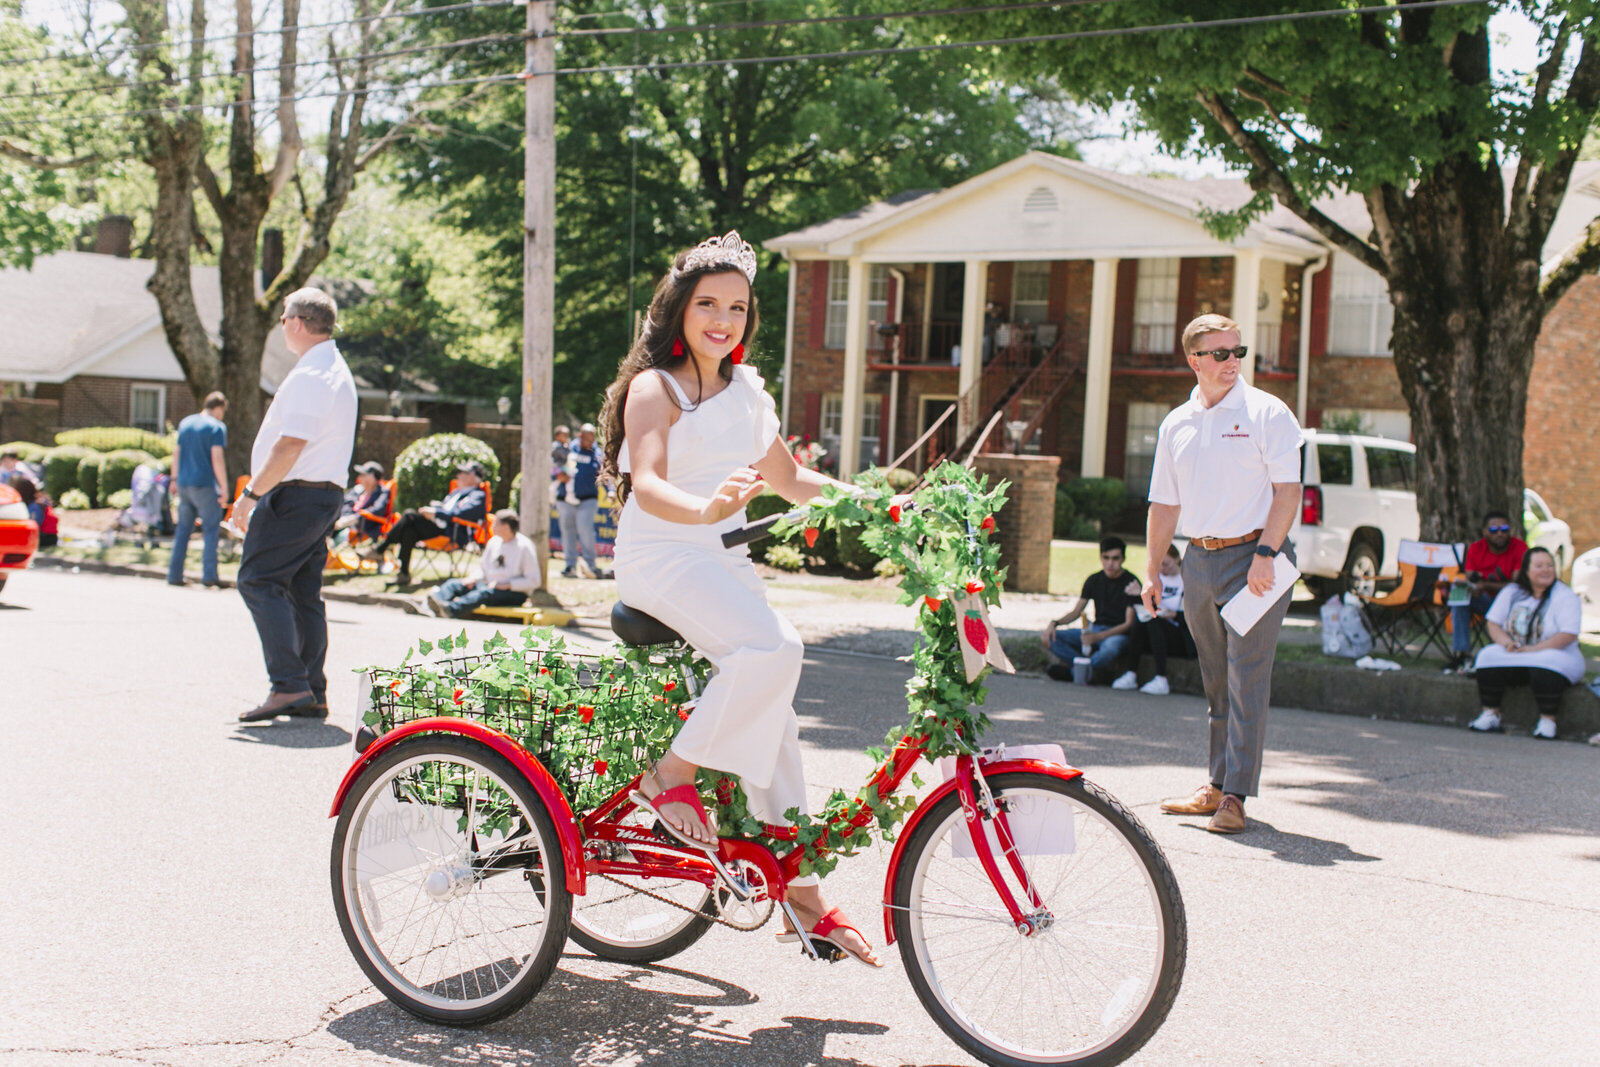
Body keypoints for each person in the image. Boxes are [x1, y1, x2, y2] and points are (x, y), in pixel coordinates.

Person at [600, 229, 882, 966]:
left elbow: (791, 481)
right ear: (680, 310)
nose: (722, 320)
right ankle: (671, 773)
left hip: (722, 561)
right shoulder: (655, 389)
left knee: (774, 710)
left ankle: (802, 893)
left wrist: (879, 504)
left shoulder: (749, 392)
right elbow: (649, 483)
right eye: (707, 305)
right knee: (776, 649)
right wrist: (704, 510)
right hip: (661, 555)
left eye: (737, 307)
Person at [1145, 314, 1303, 835]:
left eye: (1238, 351)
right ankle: (1215, 784)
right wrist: (1151, 571)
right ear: (1194, 360)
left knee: (1246, 677)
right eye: (1220, 353)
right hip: (1199, 559)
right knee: (1216, 679)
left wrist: (1267, 552)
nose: (1232, 361)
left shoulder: (1267, 412)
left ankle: (1235, 796)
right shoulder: (1177, 423)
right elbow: (1164, 504)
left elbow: (1288, 491)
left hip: (1256, 559)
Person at [230, 288, 358, 723]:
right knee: (303, 591)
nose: (282, 325)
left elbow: (290, 444)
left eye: (284, 318)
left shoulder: (312, 374)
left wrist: (251, 495)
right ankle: (311, 690)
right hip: (321, 495)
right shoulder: (332, 368)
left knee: (258, 580)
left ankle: (288, 685)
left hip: (297, 495)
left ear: (298, 323)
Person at [1466, 547, 1583, 739]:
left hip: (1555, 654)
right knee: (1487, 656)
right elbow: (1493, 623)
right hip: (1518, 653)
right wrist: (1507, 643)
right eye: (1539, 566)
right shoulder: (1512, 591)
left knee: (1548, 661)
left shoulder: (1565, 595)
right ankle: (1490, 714)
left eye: (1549, 565)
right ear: (1526, 571)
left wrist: (1535, 649)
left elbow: (1568, 634)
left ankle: (1547, 721)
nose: (1545, 570)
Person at [358, 461, 488, 585]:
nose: (459, 475)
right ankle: (403, 573)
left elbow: (461, 513)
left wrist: (436, 513)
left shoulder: (477, 495)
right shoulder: (456, 493)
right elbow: (446, 508)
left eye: (464, 473)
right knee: (409, 530)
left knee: (409, 515)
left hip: (453, 532)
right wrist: (435, 509)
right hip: (438, 527)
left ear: (473, 477)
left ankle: (380, 549)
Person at [1040, 537, 1140, 685]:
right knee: (1051, 637)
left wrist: (1098, 637)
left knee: (1110, 649)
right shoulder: (1094, 580)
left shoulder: (1131, 583)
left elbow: (1128, 624)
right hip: (1095, 628)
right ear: (1100, 557)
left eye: (1115, 558)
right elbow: (1076, 612)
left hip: (1117, 633)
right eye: (1106, 558)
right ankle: (1087, 671)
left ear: (1123, 559)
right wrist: (1054, 624)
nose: (1110, 563)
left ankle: (1074, 672)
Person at [1446, 508, 1528, 671]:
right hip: (1486, 602)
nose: (1500, 533)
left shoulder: (1519, 548)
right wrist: (1473, 588)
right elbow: (1470, 578)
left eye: (1504, 529)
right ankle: (1462, 655)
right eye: (1493, 530)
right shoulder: (1476, 548)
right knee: (1461, 599)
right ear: (1484, 531)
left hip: (1512, 605)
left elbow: (1516, 585)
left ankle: (1513, 655)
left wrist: (1485, 585)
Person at [166, 391, 229, 588]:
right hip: (204, 485)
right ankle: (209, 575)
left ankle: (174, 575)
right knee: (210, 530)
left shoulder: (186, 423)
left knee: (183, 530)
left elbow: (176, 453)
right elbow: (217, 458)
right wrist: (224, 487)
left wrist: (174, 478)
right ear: (219, 408)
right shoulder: (216, 427)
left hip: (184, 484)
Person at [425, 509, 539, 618]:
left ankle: (450, 610)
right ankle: (432, 604)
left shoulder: (524, 546)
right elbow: (483, 568)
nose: (492, 526)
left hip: (513, 592)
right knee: (454, 584)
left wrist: (508, 585)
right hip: (489, 585)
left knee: (485, 593)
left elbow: (534, 580)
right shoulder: (494, 542)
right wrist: (473, 578)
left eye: (496, 523)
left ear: (506, 527)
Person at [1116, 543, 1195, 695]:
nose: (1162, 569)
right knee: (1144, 618)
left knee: (1152, 619)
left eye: (1166, 564)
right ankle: (1131, 673)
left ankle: (1161, 677)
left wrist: (1174, 615)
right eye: (1158, 565)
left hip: (1181, 636)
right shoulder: (1156, 579)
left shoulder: (1187, 580)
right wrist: (1138, 595)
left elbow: (1195, 618)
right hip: (1157, 633)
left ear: (1176, 559)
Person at [558, 423, 603, 578]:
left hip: (587, 498)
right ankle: (570, 566)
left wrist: (610, 490)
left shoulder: (597, 454)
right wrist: (558, 475)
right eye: (586, 439)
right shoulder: (569, 449)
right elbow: (555, 464)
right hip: (566, 498)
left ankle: (590, 565)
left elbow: (604, 472)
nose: (588, 443)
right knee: (567, 532)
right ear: (580, 436)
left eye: (591, 440)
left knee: (585, 530)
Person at [335, 461, 390, 541]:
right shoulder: (358, 489)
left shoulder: (382, 492)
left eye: (363, 474)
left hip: (362, 528)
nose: (359, 477)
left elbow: (378, 509)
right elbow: (345, 503)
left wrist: (355, 518)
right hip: (343, 523)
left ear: (372, 478)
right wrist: (346, 518)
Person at [14, 479, 57, 547]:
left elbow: (34, 525)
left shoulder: (34, 506)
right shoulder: (31, 503)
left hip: (46, 538)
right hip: (45, 536)